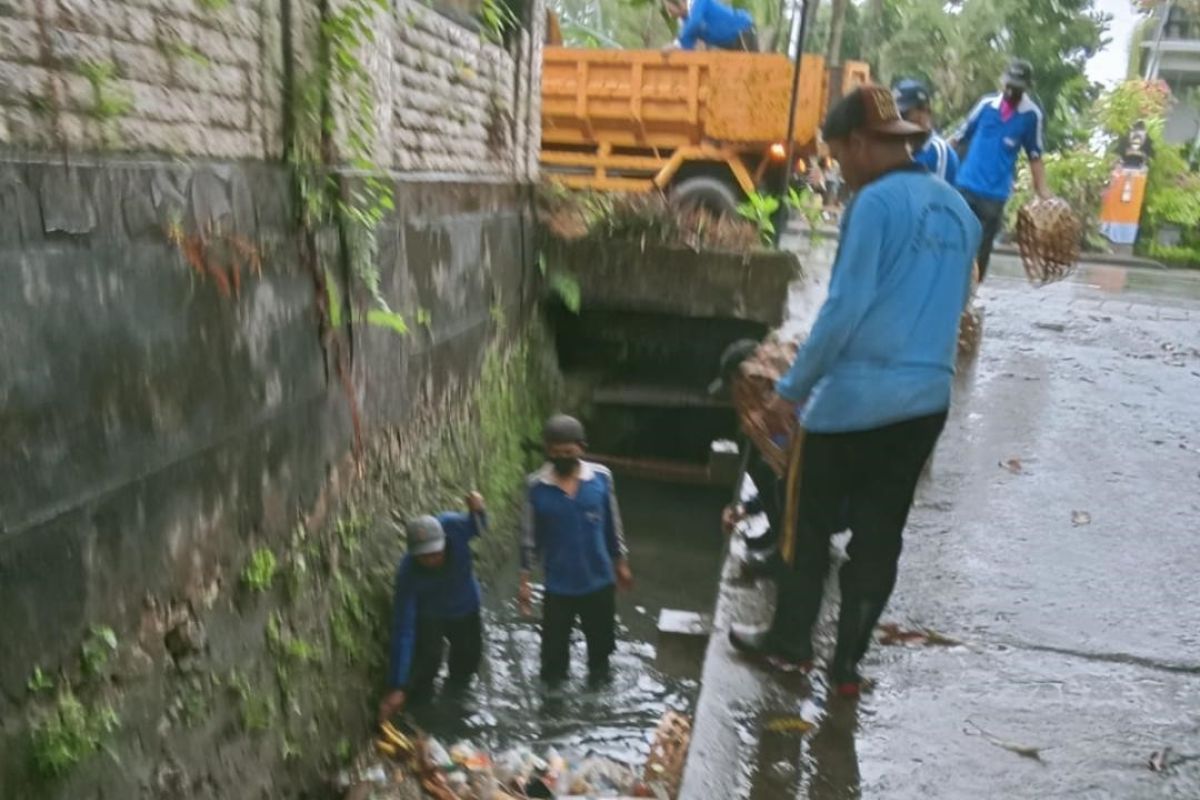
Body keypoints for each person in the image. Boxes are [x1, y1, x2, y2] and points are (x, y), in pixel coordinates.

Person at [729, 85, 981, 697]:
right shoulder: (961, 212)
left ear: (862, 144)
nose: (838, 166)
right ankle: (846, 668)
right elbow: (961, 302)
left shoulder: (872, 205)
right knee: (879, 535)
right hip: (925, 402)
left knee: (804, 526)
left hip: (853, 403)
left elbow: (843, 310)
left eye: (840, 153)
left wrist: (791, 390)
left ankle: (790, 647)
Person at [519, 415, 634, 685]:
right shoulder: (535, 486)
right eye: (555, 453)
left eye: (568, 453)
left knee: (601, 653)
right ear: (547, 451)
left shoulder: (602, 478)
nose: (562, 458)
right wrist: (524, 582)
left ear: (581, 448)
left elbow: (612, 526)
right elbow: (528, 537)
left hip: (599, 581)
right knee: (553, 661)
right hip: (558, 586)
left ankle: (597, 703)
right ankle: (553, 716)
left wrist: (622, 564)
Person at [378, 492, 488, 723]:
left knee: (467, 662)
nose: (432, 560)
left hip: (465, 606)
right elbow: (404, 629)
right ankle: (421, 716)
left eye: (436, 554)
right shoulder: (407, 574)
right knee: (426, 663)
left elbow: (479, 528)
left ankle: (456, 710)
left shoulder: (454, 527)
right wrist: (397, 685)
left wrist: (478, 510)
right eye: (424, 557)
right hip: (431, 613)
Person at [950, 59, 1049, 281]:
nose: (1012, 92)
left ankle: (969, 298)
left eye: (1017, 88)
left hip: (994, 195)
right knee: (955, 242)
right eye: (1009, 86)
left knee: (981, 251)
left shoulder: (1031, 116)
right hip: (965, 185)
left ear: (1026, 88)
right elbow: (958, 137)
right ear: (1002, 83)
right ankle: (949, 292)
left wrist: (1043, 192)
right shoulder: (986, 106)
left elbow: (1035, 156)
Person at [893, 78, 958, 184]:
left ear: (925, 112)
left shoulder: (938, 152)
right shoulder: (896, 146)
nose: (899, 119)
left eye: (904, 113)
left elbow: (939, 197)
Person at [662, 0, 757, 52]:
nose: (669, 13)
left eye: (669, 8)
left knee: (754, 67)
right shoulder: (684, 21)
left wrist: (677, 43)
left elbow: (695, 22)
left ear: (680, 2)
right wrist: (675, 48)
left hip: (742, 30)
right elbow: (688, 44)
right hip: (727, 43)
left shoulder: (698, 2)